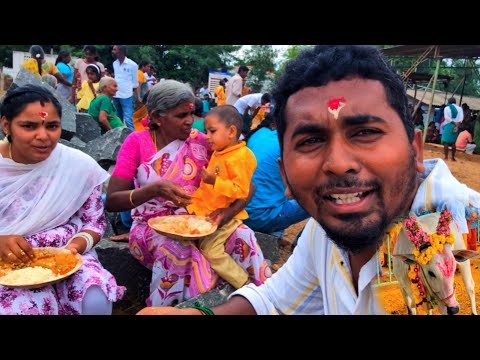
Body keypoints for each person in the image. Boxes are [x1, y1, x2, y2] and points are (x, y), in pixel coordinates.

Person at [137, 45, 480, 315]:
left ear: (415, 150)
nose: (339, 163)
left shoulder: (468, 237)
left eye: (365, 132)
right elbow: (274, 300)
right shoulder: (323, 233)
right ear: (284, 172)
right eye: (311, 141)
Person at [105, 80, 271, 307]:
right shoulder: (137, 142)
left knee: (243, 236)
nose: (189, 122)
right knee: (178, 251)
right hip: (151, 228)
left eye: (192, 114)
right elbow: (112, 201)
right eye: (181, 115)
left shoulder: (204, 142)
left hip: (201, 223)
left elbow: (248, 187)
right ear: (156, 117)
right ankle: (168, 310)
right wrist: (154, 190)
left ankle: (260, 302)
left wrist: (226, 213)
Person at [0, 84, 125, 314]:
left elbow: (94, 223)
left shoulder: (78, 166)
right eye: (29, 126)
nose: (43, 136)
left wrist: (73, 249)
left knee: (94, 298)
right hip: (8, 263)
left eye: (52, 126)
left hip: (68, 254)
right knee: (25, 308)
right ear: (6, 125)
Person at [186, 105, 257, 289]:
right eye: (206, 132)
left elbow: (241, 190)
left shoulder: (241, 157)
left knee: (211, 251)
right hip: (207, 211)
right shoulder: (222, 151)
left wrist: (214, 180)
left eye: (212, 131)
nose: (207, 137)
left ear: (231, 131)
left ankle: (243, 282)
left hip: (227, 217)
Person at [243, 114, 310, 246]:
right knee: (324, 201)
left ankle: (274, 236)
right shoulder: (289, 144)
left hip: (241, 213)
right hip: (261, 217)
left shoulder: (259, 133)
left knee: (276, 187)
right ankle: (300, 246)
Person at [112, 45, 140, 131]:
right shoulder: (115, 63)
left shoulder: (132, 64)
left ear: (121, 51)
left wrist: (127, 89)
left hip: (126, 95)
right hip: (116, 94)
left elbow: (135, 83)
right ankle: (119, 138)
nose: (112, 51)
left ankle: (133, 138)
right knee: (117, 118)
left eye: (114, 49)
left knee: (128, 119)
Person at [441, 97, 464, 161]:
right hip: (456, 126)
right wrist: (457, 124)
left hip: (448, 125)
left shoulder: (447, 108)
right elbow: (461, 118)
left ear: (449, 102)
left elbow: (446, 117)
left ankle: (446, 157)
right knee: (453, 142)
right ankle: (453, 157)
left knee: (446, 142)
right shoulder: (460, 109)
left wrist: (453, 122)